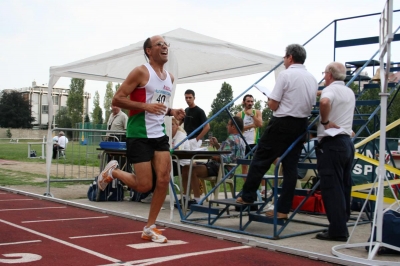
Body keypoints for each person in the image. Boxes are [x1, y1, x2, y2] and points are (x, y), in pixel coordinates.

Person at [97, 35, 185, 243]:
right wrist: (145, 107)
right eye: (159, 44)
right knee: (145, 185)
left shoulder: (169, 78)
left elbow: (158, 106)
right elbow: (117, 98)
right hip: (139, 134)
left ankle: (149, 227)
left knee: (163, 179)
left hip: (159, 134)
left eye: (166, 44)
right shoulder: (141, 72)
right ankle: (114, 172)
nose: (164, 47)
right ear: (148, 51)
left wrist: (173, 111)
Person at [236, 44, 318, 220]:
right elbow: (311, 104)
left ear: (289, 57)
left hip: (282, 122)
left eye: (285, 57)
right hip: (301, 124)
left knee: (260, 158)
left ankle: (248, 195)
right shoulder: (312, 78)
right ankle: (283, 210)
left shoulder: (285, 74)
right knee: (290, 167)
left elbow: (273, 104)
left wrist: (270, 100)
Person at [315, 62, 355, 242]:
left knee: (332, 188)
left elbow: (324, 101)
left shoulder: (329, 90)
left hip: (332, 142)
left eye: (324, 73)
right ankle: (341, 223)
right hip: (346, 142)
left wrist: (325, 121)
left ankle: (337, 230)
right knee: (344, 185)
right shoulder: (349, 91)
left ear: (329, 75)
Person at [180, 116, 245, 205]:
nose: (227, 126)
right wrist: (217, 145)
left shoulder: (232, 139)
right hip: (223, 167)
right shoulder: (240, 139)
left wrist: (214, 156)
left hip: (222, 169)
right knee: (186, 168)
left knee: (192, 170)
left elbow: (228, 158)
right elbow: (229, 154)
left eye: (228, 124)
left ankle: (196, 201)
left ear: (233, 127)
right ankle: (186, 197)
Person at [235, 94, 263, 191]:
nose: (250, 103)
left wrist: (252, 115)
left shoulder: (257, 112)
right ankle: (248, 187)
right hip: (244, 142)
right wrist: (252, 125)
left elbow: (260, 124)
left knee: (259, 165)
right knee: (244, 166)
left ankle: (263, 188)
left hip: (255, 142)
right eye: (248, 101)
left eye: (252, 101)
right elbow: (238, 129)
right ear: (244, 102)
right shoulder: (239, 114)